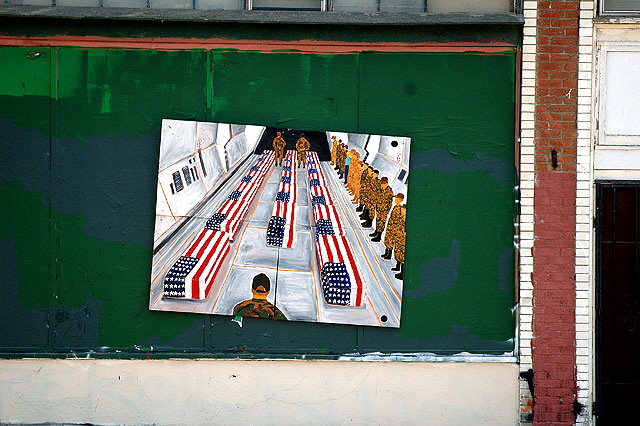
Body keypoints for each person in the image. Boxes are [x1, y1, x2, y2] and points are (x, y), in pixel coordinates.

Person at [382, 193, 405, 260]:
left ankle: (389, 254)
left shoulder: (400, 209)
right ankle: (387, 252)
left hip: (395, 228)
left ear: (400, 200)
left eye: (396, 199)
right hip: (391, 227)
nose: (395, 200)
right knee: (388, 240)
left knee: (391, 241)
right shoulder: (396, 207)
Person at [370, 176, 394, 242]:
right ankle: (376, 232)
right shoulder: (380, 188)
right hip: (378, 208)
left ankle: (379, 236)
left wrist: (387, 210)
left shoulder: (389, 191)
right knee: (378, 220)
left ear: (386, 183)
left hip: (384, 210)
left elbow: (390, 202)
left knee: (382, 222)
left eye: (383, 183)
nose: (381, 184)